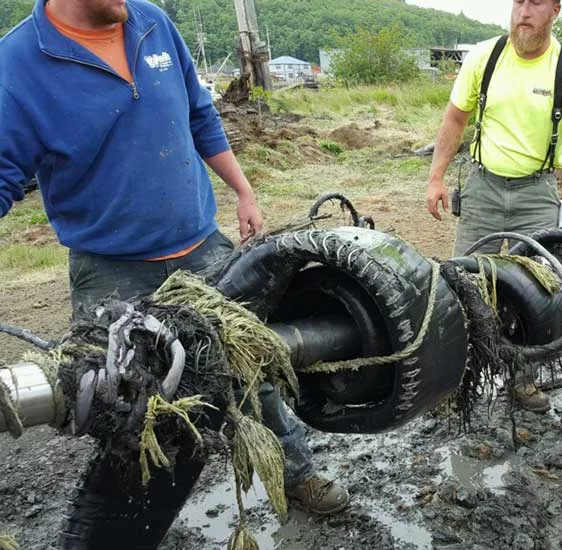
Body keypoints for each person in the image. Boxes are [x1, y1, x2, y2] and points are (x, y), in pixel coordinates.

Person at [0, 0, 348, 542]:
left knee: (254, 372)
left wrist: (243, 188)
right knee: (122, 404)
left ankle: (297, 473)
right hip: (110, 270)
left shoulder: (151, 22)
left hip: (203, 248)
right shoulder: (19, 62)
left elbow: (199, 114)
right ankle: (137, 522)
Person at [425, 0, 562, 413]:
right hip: (483, 189)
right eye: (517, 2)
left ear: (555, 10)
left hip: (537, 193)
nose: (523, 11)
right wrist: (436, 177)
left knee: (535, 293)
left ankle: (521, 380)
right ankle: (454, 382)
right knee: (463, 286)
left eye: (535, 3)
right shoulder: (485, 57)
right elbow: (455, 119)